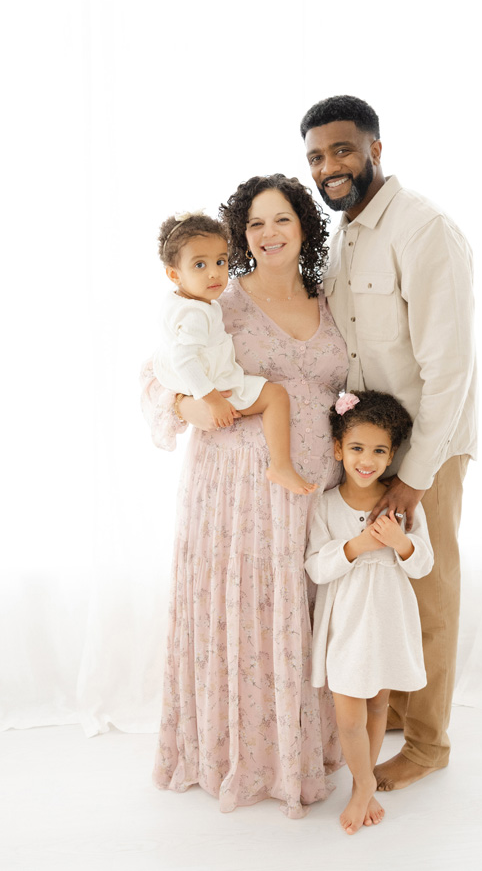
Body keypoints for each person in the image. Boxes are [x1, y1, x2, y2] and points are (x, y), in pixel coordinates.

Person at [142, 173, 348, 818]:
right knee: (246, 613)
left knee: (304, 614)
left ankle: (300, 750)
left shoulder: (330, 299)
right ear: (241, 234)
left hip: (316, 489)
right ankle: (238, 755)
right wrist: (183, 404)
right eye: (255, 223)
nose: (267, 234)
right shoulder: (216, 302)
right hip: (235, 492)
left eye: (280, 219)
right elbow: (153, 376)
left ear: (303, 227)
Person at [300, 95, 477, 791]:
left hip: (428, 445)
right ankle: (398, 709)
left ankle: (430, 745)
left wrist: (418, 474)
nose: (329, 166)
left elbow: (450, 366)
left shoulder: (423, 229)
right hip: (369, 445)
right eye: (316, 156)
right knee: (386, 585)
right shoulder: (346, 235)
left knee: (427, 588)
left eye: (342, 150)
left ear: (376, 149)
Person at [307, 390, 435, 835]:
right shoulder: (325, 505)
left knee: (379, 702)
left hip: (388, 615)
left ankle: (365, 784)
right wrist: (356, 546)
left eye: (379, 450)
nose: (367, 459)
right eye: (357, 448)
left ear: (392, 455)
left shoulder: (400, 504)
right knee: (349, 713)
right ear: (339, 449)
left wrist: (401, 543)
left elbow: (424, 563)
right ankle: (363, 783)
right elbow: (316, 567)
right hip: (347, 620)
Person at [153, 211, 316, 496]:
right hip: (215, 386)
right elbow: (183, 359)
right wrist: (212, 399)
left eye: (220, 261)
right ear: (174, 275)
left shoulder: (190, 302)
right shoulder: (194, 312)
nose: (214, 272)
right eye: (200, 265)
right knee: (275, 396)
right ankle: (280, 465)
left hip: (212, 381)